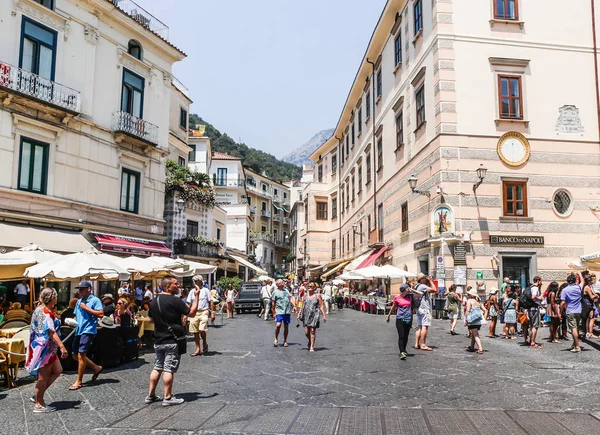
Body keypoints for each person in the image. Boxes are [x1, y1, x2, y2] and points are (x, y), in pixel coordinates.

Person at [147, 276, 200, 406]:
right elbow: (191, 313)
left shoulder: (154, 301)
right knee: (168, 368)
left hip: (158, 339)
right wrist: (196, 296)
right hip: (172, 339)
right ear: (168, 286)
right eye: (176, 284)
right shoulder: (175, 301)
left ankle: (151, 395)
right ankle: (168, 397)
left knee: (157, 367)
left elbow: (150, 319)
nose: (178, 286)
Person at [26, 288, 68, 413]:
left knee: (57, 370)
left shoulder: (39, 309)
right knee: (43, 376)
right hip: (45, 349)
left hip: (45, 347)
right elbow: (51, 331)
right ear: (52, 298)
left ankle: (38, 395)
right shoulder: (46, 312)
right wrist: (62, 346)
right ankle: (39, 403)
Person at [69, 281, 104, 391]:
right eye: (79, 289)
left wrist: (86, 308)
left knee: (81, 355)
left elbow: (101, 314)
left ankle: (78, 381)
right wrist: (72, 322)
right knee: (75, 355)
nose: (79, 291)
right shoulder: (79, 301)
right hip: (78, 330)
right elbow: (76, 316)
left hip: (88, 330)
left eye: (82, 289)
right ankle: (96, 367)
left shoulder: (95, 300)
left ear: (89, 289)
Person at [187, 276, 214, 357]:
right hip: (194, 313)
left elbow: (211, 301)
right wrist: (185, 314)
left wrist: (212, 312)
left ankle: (204, 342)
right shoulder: (192, 291)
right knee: (195, 332)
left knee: (202, 330)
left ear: (200, 282)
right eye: (193, 281)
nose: (194, 282)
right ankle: (198, 349)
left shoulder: (206, 290)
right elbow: (188, 303)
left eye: (196, 281)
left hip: (203, 311)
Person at [386, 283, 414, 360]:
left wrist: (412, 290)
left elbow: (420, 294)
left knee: (406, 336)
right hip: (400, 318)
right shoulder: (397, 297)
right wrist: (389, 315)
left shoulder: (410, 296)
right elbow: (393, 307)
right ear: (403, 290)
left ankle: (404, 349)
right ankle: (402, 352)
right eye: (407, 289)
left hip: (408, 318)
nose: (409, 290)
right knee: (401, 335)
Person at [299, 282, 326, 352]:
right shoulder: (305, 296)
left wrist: (323, 315)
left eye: (311, 286)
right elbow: (302, 305)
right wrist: (299, 313)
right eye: (308, 286)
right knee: (306, 332)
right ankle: (310, 340)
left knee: (313, 331)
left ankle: (312, 346)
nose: (309, 287)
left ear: (314, 288)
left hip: (314, 315)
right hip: (306, 315)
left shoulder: (318, 296)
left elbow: (321, 305)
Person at [413, 273, 437, 351]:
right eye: (425, 278)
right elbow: (434, 290)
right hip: (424, 308)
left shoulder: (416, 286)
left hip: (418, 308)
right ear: (422, 279)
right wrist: (431, 281)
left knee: (419, 326)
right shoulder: (422, 286)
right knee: (425, 326)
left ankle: (417, 343)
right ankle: (423, 344)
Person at [561, 273, 583, 353]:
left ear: (567, 281)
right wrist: (581, 274)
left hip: (570, 310)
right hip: (579, 310)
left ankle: (577, 346)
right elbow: (582, 282)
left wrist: (561, 311)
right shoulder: (579, 288)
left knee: (573, 328)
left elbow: (563, 303)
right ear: (575, 280)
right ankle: (574, 344)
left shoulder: (565, 290)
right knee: (576, 327)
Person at [272, 279, 295, 347]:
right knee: (278, 325)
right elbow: (273, 303)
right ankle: (276, 338)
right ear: (279, 284)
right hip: (279, 311)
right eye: (282, 282)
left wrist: (294, 305)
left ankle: (285, 340)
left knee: (286, 326)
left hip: (287, 311)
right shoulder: (275, 292)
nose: (284, 283)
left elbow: (290, 298)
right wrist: (274, 312)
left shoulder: (286, 290)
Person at [464, 288, 484, 354]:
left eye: (468, 294)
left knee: (475, 335)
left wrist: (466, 320)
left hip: (472, 320)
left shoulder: (469, 301)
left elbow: (468, 310)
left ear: (471, 295)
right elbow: (484, 310)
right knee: (473, 334)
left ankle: (480, 348)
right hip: (478, 320)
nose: (467, 295)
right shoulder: (478, 301)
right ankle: (472, 346)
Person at [527, 276, 544, 349]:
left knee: (531, 326)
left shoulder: (530, 287)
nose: (541, 282)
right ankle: (533, 343)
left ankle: (531, 340)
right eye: (541, 281)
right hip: (534, 309)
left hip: (530, 308)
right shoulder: (535, 288)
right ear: (538, 281)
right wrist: (539, 298)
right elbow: (533, 297)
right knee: (535, 326)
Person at [581, 275, 598, 339]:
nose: (592, 281)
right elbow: (591, 296)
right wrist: (596, 295)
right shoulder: (587, 287)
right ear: (588, 281)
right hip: (588, 304)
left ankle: (585, 332)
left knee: (587, 319)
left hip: (587, 304)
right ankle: (590, 333)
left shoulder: (587, 287)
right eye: (591, 280)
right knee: (591, 318)